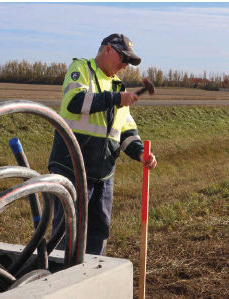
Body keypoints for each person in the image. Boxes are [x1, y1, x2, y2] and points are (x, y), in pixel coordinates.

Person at [48, 33, 157, 255]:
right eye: (123, 58)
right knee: (67, 235)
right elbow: (74, 102)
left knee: (98, 235)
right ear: (107, 50)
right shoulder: (82, 69)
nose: (125, 65)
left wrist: (140, 153)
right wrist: (115, 99)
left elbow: (125, 130)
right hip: (73, 169)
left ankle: (91, 281)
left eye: (128, 61)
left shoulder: (118, 86)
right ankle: (60, 283)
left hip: (103, 176)